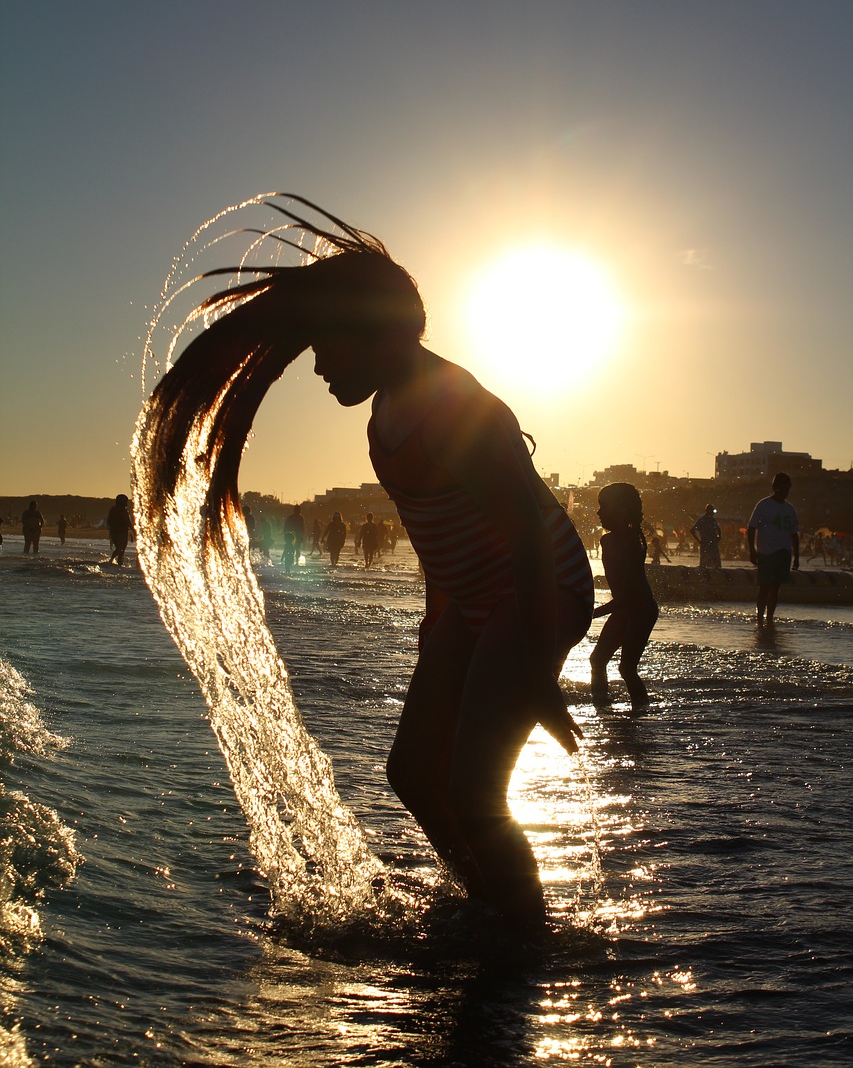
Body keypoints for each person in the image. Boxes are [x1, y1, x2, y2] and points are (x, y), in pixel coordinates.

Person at [136, 197, 594, 926]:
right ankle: (484, 897)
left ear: (377, 336)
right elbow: (437, 529)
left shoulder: (451, 407)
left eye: (328, 347)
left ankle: (523, 937)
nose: (316, 366)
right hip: (473, 599)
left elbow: (527, 535)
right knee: (412, 773)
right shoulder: (386, 410)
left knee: (475, 789)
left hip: (536, 589)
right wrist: (438, 618)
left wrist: (533, 667)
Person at [589, 484, 658, 711]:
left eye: (604, 506)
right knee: (597, 661)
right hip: (624, 608)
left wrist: (592, 614)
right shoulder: (608, 540)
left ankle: (641, 711)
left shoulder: (628, 542)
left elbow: (628, 595)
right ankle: (602, 708)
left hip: (641, 610)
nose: (599, 512)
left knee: (627, 668)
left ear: (621, 509)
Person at [747, 473, 799, 626]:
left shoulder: (790, 509)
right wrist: (752, 549)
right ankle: (760, 620)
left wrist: (797, 556)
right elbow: (751, 528)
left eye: (788, 488)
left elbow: (794, 534)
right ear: (776, 487)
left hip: (784, 552)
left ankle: (769, 619)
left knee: (776, 587)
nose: (786, 491)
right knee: (764, 587)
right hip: (766, 552)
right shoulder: (764, 505)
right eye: (783, 487)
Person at [690, 504, 722, 570]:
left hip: (714, 544)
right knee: (704, 565)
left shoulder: (713, 520)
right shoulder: (702, 520)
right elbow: (692, 530)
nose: (713, 513)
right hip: (705, 544)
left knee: (716, 565)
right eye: (712, 511)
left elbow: (718, 529)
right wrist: (699, 541)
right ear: (708, 511)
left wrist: (719, 537)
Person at [106, 494, 133, 566]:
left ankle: (115, 562)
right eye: (125, 501)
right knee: (121, 548)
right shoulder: (123, 511)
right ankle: (116, 562)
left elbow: (108, 521)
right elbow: (128, 522)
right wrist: (134, 530)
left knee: (119, 548)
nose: (126, 503)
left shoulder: (113, 509)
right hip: (121, 533)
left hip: (113, 532)